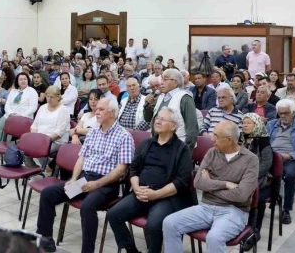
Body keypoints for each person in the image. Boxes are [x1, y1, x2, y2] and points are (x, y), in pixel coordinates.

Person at [35, 97, 134, 253]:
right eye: (97, 108)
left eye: (101, 109)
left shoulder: (124, 136)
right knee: (48, 194)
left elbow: (122, 169)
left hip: (106, 186)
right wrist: (74, 179)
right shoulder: (94, 132)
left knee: (87, 206)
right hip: (83, 181)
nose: (96, 111)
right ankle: (46, 239)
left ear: (112, 113)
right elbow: (82, 157)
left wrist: (97, 184)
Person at [162, 121, 258, 253]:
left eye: (216, 136)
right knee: (169, 223)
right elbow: (198, 183)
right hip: (206, 207)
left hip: (234, 211)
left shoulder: (250, 159)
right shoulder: (212, 152)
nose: (212, 139)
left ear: (229, 140)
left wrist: (210, 185)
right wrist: (225, 184)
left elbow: (241, 195)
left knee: (214, 237)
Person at [107, 107, 193, 253]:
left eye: (162, 119)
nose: (157, 121)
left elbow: (182, 181)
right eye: (157, 118)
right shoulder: (147, 144)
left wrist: (156, 194)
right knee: (113, 215)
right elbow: (133, 169)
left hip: (166, 197)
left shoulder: (182, 149)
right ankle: (131, 249)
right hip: (141, 192)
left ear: (173, 126)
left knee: (153, 225)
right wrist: (136, 187)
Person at [267, 99, 295, 225]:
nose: (282, 116)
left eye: (286, 113)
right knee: (256, 171)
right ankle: (264, 201)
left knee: (290, 175)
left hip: (291, 158)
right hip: (272, 156)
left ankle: (286, 209)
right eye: (280, 113)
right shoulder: (271, 125)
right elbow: (265, 143)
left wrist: (288, 156)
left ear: (293, 113)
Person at [240, 113, 273, 250]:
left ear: (257, 124)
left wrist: (249, 175)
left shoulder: (263, 141)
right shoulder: (240, 139)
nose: (245, 125)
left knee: (257, 198)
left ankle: (255, 230)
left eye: (249, 122)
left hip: (262, 179)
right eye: (244, 122)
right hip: (242, 176)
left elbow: (266, 164)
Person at [144, 69, 200, 149]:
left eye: (165, 79)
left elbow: (192, 127)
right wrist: (147, 106)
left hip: (177, 147)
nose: (161, 82)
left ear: (175, 83)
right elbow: (147, 119)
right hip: (157, 145)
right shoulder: (160, 97)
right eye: (161, 79)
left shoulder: (184, 98)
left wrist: (186, 151)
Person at [28, 86, 70, 169]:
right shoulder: (42, 107)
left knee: (37, 148)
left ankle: (47, 167)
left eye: (52, 97)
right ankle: (33, 168)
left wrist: (42, 141)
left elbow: (59, 132)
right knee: (24, 147)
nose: (49, 99)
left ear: (58, 97)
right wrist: (34, 138)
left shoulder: (63, 110)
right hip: (39, 139)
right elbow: (34, 125)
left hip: (56, 141)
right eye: (47, 96)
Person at [0, 73, 39, 144]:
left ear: (28, 80)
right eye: (20, 79)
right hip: (10, 115)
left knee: (13, 130)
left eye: (25, 79)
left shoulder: (32, 91)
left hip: (24, 117)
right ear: (17, 81)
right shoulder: (13, 91)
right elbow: (7, 104)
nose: (23, 81)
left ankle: (7, 147)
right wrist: (10, 113)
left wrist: (21, 115)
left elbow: (33, 107)